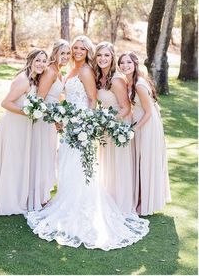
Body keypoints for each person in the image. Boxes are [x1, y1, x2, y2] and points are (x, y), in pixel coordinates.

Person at [25, 36, 149, 251]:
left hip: (81, 127)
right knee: (66, 163)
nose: (78, 51)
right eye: (76, 48)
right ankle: (67, 201)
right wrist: (62, 115)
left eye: (83, 48)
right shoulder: (73, 69)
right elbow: (71, 96)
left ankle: (80, 208)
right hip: (70, 123)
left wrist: (87, 126)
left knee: (78, 167)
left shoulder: (85, 71)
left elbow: (92, 99)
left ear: (87, 51)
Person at [0, 49, 48, 215]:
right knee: (12, 163)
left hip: (22, 126)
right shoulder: (23, 80)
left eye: (44, 61)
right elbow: (5, 103)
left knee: (19, 163)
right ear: (30, 61)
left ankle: (18, 198)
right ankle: (7, 202)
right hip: (13, 126)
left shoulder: (34, 79)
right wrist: (28, 112)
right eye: (38, 60)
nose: (41, 64)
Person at [118, 51, 171, 216]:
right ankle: (141, 198)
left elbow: (148, 112)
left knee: (146, 162)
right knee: (142, 162)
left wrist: (133, 128)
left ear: (135, 64)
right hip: (141, 123)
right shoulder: (129, 82)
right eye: (122, 63)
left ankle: (145, 204)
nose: (125, 65)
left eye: (128, 62)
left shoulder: (139, 84)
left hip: (147, 125)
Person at [28, 39, 71, 211]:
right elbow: (40, 99)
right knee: (43, 157)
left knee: (48, 156)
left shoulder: (59, 71)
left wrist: (60, 116)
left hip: (51, 121)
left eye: (68, 53)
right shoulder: (50, 71)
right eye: (63, 53)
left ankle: (42, 194)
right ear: (55, 53)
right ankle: (38, 197)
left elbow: (55, 98)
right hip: (44, 121)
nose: (66, 56)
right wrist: (54, 118)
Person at [94, 42, 134, 214]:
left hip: (118, 126)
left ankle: (121, 203)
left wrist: (108, 120)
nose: (103, 59)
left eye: (107, 55)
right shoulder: (98, 78)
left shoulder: (116, 80)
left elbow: (126, 108)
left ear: (112, 58)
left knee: (118, 164)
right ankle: (109, 198)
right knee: (107, 165)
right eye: (100, 55)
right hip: (106, 126)